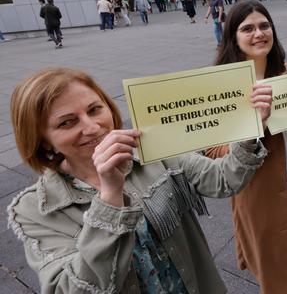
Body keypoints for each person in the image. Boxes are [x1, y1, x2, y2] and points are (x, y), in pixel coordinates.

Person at [7, 67, 267, 293]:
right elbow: (74, 289)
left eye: (95, 109)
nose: (92, 127)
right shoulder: (34, 210)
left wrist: (248, 133)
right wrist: (110, 195)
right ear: (42, 140)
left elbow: (223, 180)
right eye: (67, 122)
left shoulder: (152, 151)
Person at [206, 0, 287, 293]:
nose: (258, 33)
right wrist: (256, 129)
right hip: (268, 194)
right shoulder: (222, 88)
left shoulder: (286, 71)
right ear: (233, 37)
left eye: (264, 25)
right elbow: (213, 154)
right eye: (247, 28)